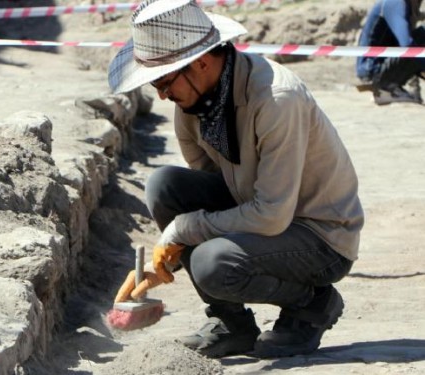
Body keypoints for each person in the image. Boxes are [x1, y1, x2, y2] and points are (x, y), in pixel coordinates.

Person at [108, 0, 364, 359]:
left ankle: (312, 304)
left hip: (320, 235)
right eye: (156, 86)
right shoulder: (193, 107)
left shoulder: (276, 99)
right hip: (260, 211)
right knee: (166, 187)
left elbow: (271, 214)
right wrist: (168, 260)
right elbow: (212, 196)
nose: (163, 95)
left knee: (213, 263)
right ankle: (232, 324)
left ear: (200, 62)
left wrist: (184, 231)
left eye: (165, 81)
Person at [356, 0, 425, 105]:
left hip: (377, 66)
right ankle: (386, 88)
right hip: (372, 69)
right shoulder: (395, 3)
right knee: (421, 35)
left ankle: (391, 88)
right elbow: (407, 44)